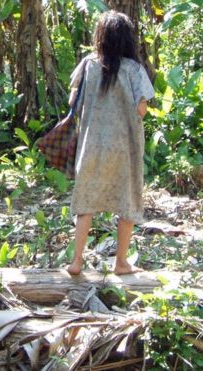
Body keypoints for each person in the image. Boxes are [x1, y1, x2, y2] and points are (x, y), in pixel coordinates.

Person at [66, 11, 155, 276]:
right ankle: (121, 263)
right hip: (125, 148)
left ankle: (77, 261)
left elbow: (73, 102)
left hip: (91, 145)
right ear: (127, 38)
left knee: (86, 202)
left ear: (100, 37)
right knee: (127, 201)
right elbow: (142, 109)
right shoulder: (135, 70)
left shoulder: (87, 65)